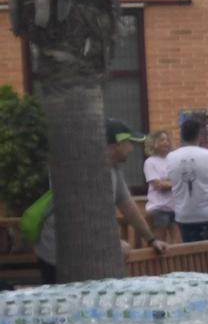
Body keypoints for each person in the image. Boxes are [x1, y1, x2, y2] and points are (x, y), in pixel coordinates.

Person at [31, 120, 167, 281]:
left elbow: (128, 206)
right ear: (116, 145)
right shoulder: (82, 170)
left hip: (85, 252)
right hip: (57, 252)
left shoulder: (114, 169)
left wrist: (151, 239)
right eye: (128, 144)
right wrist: (113, 244)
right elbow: (82, 216)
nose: (131, 149)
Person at [165, 116, 208, 242]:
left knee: (192, 254)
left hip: (184, 215)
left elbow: (170, 178)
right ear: (199, 135)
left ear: (181, 135)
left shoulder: (171, 157)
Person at [141, 129, 177, 244]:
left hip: (175, 208)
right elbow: (159, 186)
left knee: (179, 244)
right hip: (158, 209)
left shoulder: (173, 160)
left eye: (167, 140)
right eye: (162, 140)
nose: (166, 142)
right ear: (154, 143)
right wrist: (174, 182)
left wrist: (168, 182)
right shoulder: (150, 162)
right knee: (159, 243)